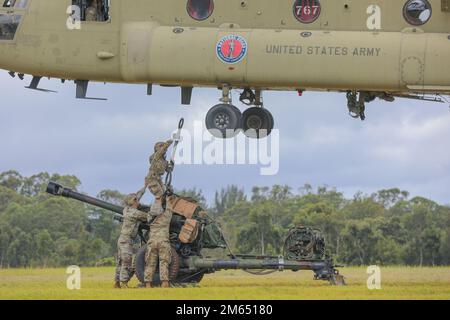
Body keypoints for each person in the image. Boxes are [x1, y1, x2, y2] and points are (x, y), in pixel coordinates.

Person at [115, 188, 147, 288]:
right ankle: (124, 284)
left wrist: (144, 187)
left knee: (120, 262)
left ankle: (117, 283)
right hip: (126, 240)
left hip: (122, 239)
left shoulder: (126, 209)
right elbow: (147, 216)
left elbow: (136, 196)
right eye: (136, 200)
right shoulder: (135, 213)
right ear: (133, 202)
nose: (138, 201)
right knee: (127, 261)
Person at [144, 205, 173, 288]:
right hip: (163, 242)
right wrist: (168, 200)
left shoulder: (150, 219)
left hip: (152, 242)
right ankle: (164, 282)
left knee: (150, 263)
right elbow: (169, 209)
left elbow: (149, 214)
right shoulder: (166, 218)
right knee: (164, 262)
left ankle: (147, 284)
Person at [145, 139, 173, 216]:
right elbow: (161, 151)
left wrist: (171, 166)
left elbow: (168, 170)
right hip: (152, 178)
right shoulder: (155, 156)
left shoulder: (164, 161)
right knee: (159, 195)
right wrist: (168, 143)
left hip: (159, 179)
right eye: (160, 147)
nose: (163, 148)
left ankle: (163, 210)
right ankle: (154, 213)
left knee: (164, 196)